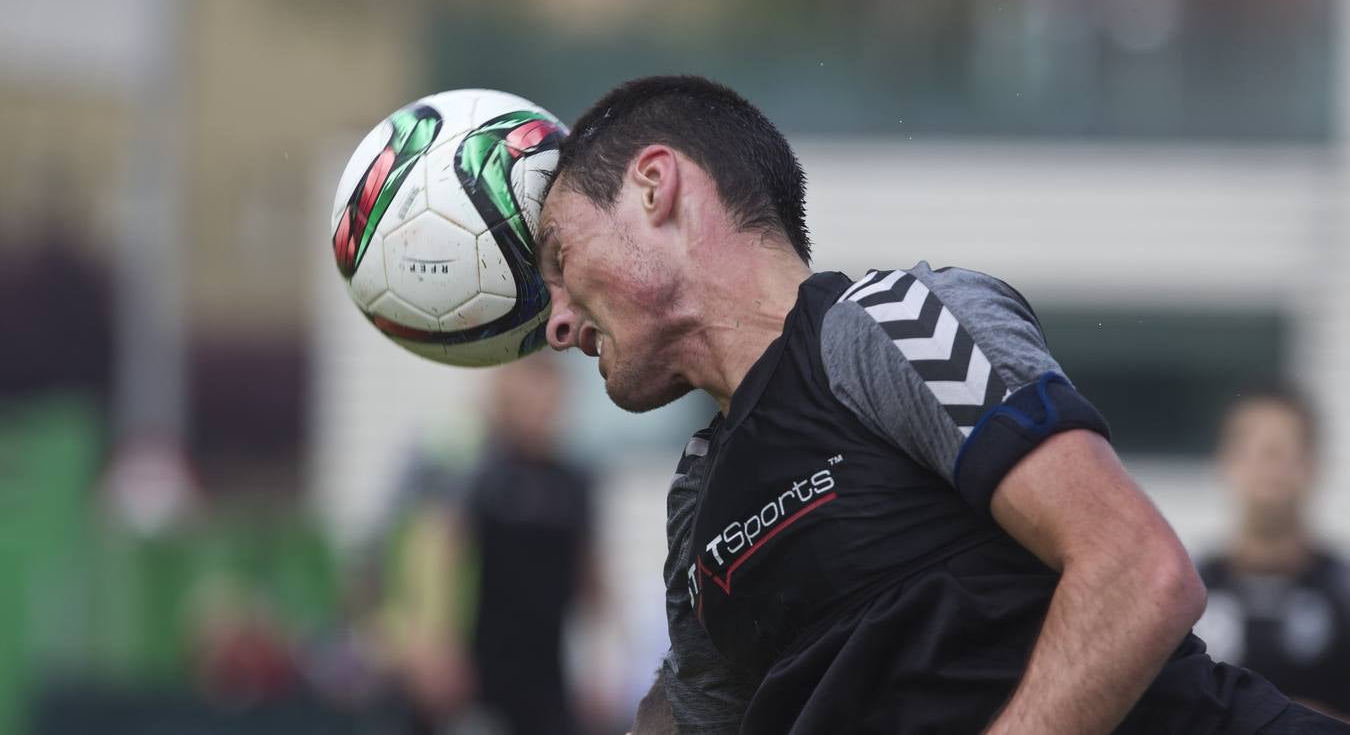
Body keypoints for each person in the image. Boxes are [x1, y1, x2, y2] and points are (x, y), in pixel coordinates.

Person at [535, 74, 1348, 734]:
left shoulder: (893, 323)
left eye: (562, 258)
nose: (558, 322)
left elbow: (1139, 574)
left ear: (655, 186)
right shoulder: (698, 509)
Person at [382, 350, 610, 735]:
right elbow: (437, 558)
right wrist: (433, 645)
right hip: (473, 672)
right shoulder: (473, 469)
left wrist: (599, 665)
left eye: (550, 395)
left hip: (545, 676)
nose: (542, 407)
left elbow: (592, 580)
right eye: (530, 392)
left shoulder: (573, 481)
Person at [1195, 387, 1350, 719]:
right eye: (1254, 448)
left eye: (1283, 450)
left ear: (1313, 465)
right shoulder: (1185, 598)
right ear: (1224, 461)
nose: (1269, 464)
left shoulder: (1343, 595)